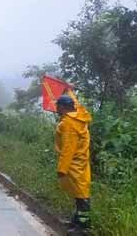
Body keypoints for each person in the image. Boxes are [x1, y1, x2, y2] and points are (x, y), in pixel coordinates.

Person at [55, 94, 92, 234]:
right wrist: (70, 90)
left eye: (57, 106)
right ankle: (76, 222)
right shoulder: (80, 117)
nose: (56, 109)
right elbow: (79, 106)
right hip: (82, 162)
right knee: (80, 194)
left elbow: (68, 148)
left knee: (82, 197)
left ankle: (83, 227)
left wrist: (62, 169)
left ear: (62, 107)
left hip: (74, 165)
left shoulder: (68, 124)